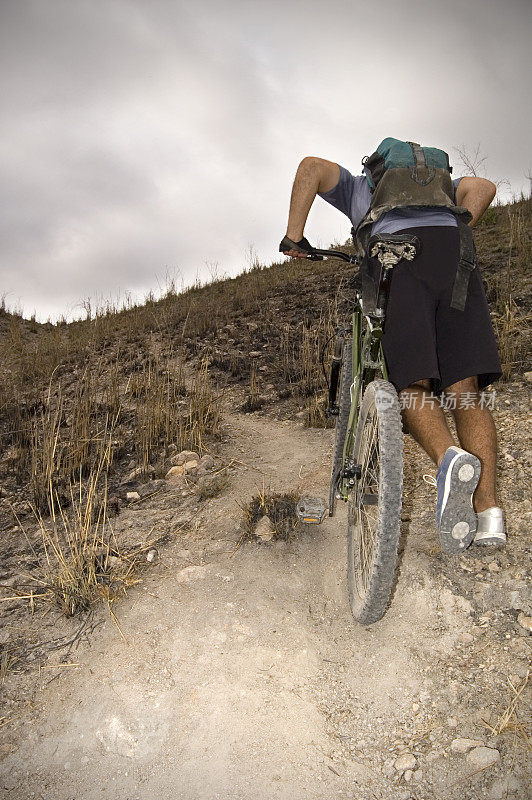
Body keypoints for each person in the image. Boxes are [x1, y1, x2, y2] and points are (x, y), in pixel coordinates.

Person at [280, 152, 506, 551]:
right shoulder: (440, 191)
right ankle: (489, 515)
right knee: (464, 387)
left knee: (410, 381)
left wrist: (294, 238)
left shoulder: (359, 186)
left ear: (375, 170)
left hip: (399, 256)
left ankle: (448, 460)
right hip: (456, 253)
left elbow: (310, 167)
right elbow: (484, 187)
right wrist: (456, 224)